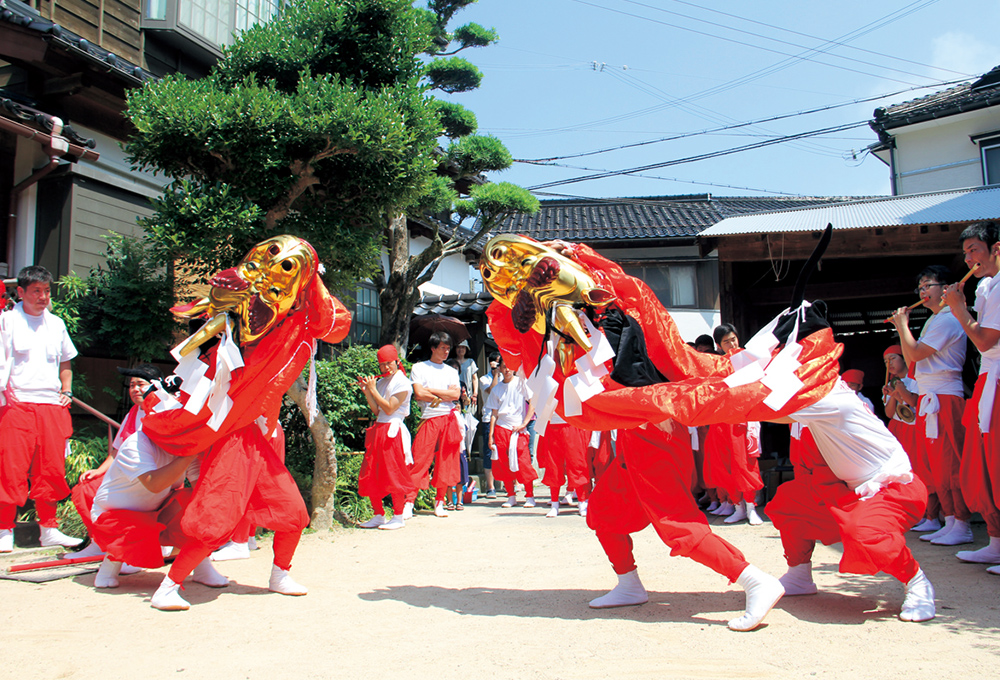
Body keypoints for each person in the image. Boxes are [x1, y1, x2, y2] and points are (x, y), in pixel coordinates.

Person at [142, 235, 351, 611]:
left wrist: (310, 279)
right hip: (236, 432)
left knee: (292, 513)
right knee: (217, 516)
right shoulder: (253, 325)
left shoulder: (299, 322)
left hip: (258, 433)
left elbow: (334, 324)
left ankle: (280, 574)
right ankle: (169, 587)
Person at [769, 412, 934, 622]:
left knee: (863, 533)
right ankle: (799, 574)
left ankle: (916, 580)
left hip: (886, 489)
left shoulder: (836, 402)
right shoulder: (804, 415)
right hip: (837, 489)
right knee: (789, 501)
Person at [0, 265, 81, 552]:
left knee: (51, 469)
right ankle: (4, 530)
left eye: (47, 291)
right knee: (11, 468)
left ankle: (49, 529)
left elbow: (65, 362)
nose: (43, 297)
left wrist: (67, 390)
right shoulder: (8, 320)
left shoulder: (56, 323)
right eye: (36, 291)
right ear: (20, 292)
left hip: (51, 405)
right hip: (16, 403)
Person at [942, 221, 1000, 571]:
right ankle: (995, 539)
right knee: (982, 463)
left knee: (994, 460)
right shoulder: (988, 286)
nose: (968, 260)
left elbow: (983, 341)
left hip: (996, 377)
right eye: (965, 253)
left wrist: (958, 308)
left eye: (974, 250)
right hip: (988, 379)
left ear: (996, 248)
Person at [89, 429, 215, 590]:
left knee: (197, 502)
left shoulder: (185, 447)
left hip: (156, 513)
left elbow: (200, 486)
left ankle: (201, 565)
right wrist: (188, 455)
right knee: (133, 525)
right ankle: (110, 565)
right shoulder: (137, 443)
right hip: (113, 517)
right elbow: (153, 484)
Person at [71, 364, 163, 560]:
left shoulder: (166, 410)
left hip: (152, 476)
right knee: (86, 487)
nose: (135, 389)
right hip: (126, 475)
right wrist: (98, 471)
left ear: (156, 385)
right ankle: (99, 541)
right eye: (131, 385)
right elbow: (116, 450)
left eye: (140, 384)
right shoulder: (132, 412)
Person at [703, 324, 764, 526]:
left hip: (744, 420)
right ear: (719, 346)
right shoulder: (716, 364)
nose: (732, 344)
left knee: (745, 464)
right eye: (726, 341)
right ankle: (737, 506)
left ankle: (751, 507)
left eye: (733, 339)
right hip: (722, 421)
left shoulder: (749, 360)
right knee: (726, 465)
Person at [357, 344, 416, 530]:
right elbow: (377, 411)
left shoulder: (403, 382)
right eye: (382, 364)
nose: (385, 368)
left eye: (389, 363)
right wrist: (367, 391)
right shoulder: (382, 382)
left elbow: (390, 408)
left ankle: (398, 515)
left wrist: (373, 390)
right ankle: (378, 514)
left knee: (394, 472)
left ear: (396, 361)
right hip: (379, 428)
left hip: (393, 429)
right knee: (371, 470)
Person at [408, 332, 463, 518]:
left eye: (448, 348)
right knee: (419, 459)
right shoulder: (419, 367)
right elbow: (418, 394)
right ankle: (409, 501)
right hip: (429, 418)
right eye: (442, 348)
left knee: (447, 461)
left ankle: (440, 501)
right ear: (433, 348)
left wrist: (430, 389)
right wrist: (443, 395)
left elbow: (455, 396)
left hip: (448, 419)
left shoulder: (452, 371)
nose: (446, 351)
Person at [487, 358, 538, 508]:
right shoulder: (496, 389)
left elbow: (533, 403)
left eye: (509, 367)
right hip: (502, 428)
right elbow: (494, 414)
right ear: (500, 369)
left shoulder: (522, 383)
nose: (507, 370)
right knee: (503, 463)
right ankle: (511, 495)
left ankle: (529, 495)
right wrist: (490, 436)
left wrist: (524, 423)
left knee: (523, 461)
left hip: (518, 428)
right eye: (504, 367)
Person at [536, 414, 590, 517]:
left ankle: (582, 503)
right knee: (553, 466)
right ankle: (554, 504)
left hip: (572, 423)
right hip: (552, 424)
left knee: (576, 464)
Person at [478, 353, 501, 498]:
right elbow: (491, 391)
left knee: (506, 451)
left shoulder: (506, 378)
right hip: (488, 418)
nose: (497, 365)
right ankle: (490, 487)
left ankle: (511, 483)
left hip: (503, 419)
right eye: (495, 362)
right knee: (489, 452)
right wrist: (496, 375)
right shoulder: (484, 378)